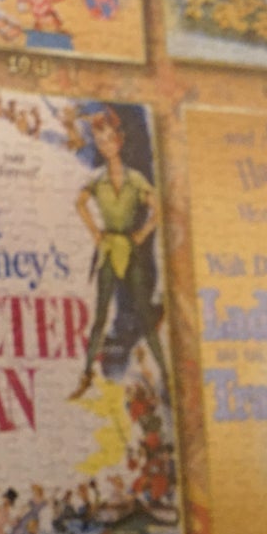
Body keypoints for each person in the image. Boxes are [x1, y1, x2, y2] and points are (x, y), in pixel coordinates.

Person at [70, 106, 168, 399]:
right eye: (102, 141)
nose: (107, 145)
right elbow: (80, 203)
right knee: (105, 314)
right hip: (113, 250)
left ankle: (165, 372)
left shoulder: (133, 176)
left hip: (129, 249)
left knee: (138, 316)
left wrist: (141, 233)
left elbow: (157, 209)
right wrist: (97, 234)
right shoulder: (99, 178)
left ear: (119, 140)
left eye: (110, 139)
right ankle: (87, 375)